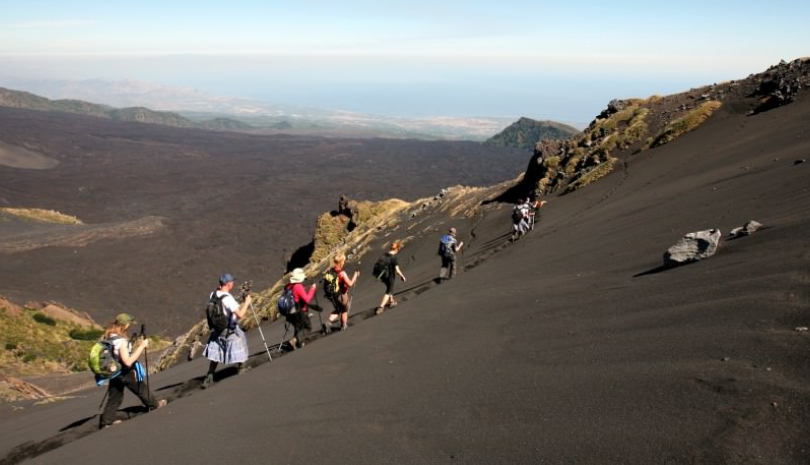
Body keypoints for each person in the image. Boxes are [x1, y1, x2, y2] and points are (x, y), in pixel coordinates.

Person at [99, 313, 166, 428]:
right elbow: (127, 361)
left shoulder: (110, 336)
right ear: (124, 325)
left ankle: (106, 422)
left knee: (115, 397)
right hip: (125, 372)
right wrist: (141, 347)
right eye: (129, 323)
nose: (130, 326)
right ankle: (154, 405)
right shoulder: (121, 342)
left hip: (114, 372)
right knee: (141, 388)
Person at [201, 273, 252, 389]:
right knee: (241, 339)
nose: (233, 283)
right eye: (232, 282)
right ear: (229, 284)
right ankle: (242, 367)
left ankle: (209, 376)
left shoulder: (213, 294)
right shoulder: (228, 299)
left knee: (216, 353)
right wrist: (247, 303)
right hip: (228, 329)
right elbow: (240, 315)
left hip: (217, 329)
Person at [326, 253, 359, 331]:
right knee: (344, 310)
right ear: (341, 262)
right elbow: (350, 284)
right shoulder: (342, 273)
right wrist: (355, 275)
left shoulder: (331, 271)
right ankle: (344, 325)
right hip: (342, 295)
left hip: (334, 295)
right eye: (343, 261)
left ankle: (328, 322)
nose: (344, 262)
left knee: (339, 309)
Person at [286, 268, 316, 349]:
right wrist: (312, 289)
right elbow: (307, 299)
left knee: (298, 328)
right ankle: (294, 341)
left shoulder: (289, 286)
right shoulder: (298, 286)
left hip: (290, 312)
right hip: (299, 311)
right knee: (308, 327)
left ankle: (298, 343)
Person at [376, 241, 407, 315]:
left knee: (390, 288)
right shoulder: (394, 258)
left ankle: (391, 301)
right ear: (397, 249)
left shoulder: (385, 255)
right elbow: (397, 270)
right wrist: (403, 276)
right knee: (388, 291)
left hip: (384, 276)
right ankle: (381, 307)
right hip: (390, 277)